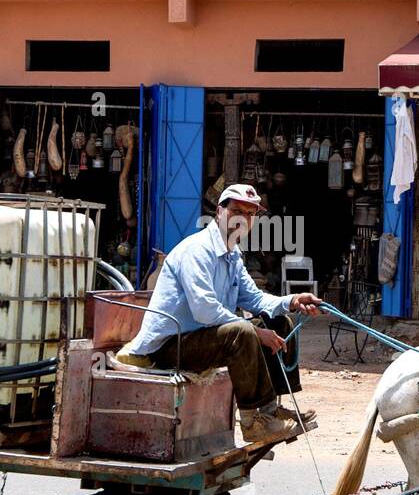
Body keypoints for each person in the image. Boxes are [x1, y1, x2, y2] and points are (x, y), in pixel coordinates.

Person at [116, 184, 323, 441]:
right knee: (242, 331)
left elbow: (255, 298)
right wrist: (255, 332)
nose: (242, 219)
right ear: (219, 212)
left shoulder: (232, 254)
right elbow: (205, 310)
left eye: (249, 214)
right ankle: (251, 422)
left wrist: (292, 300)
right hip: (169, 347)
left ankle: (271, 411)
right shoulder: (198, 250)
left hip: (203, 339)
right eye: (236, 210)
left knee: (280, 321)